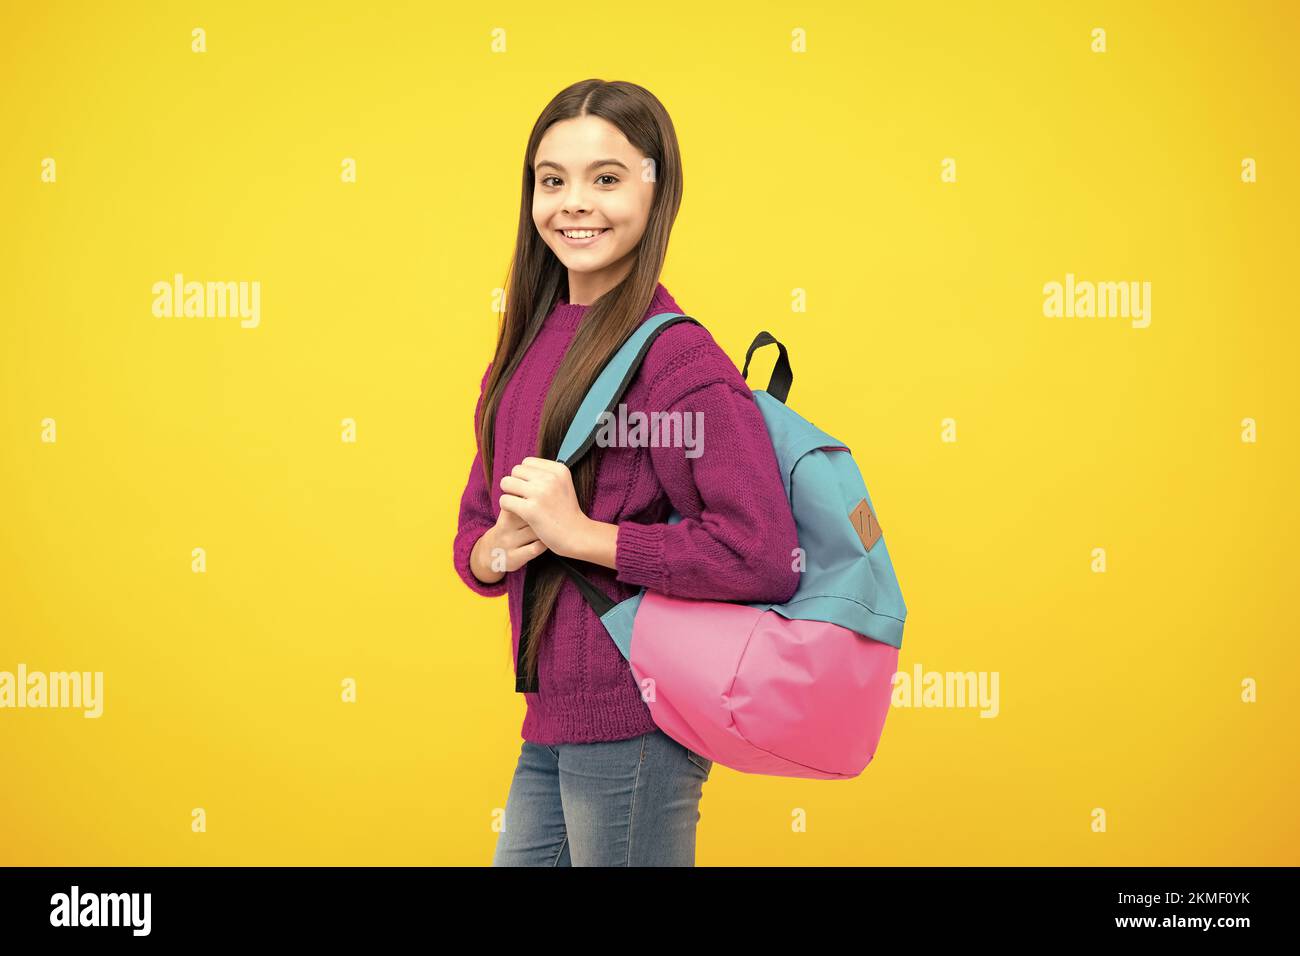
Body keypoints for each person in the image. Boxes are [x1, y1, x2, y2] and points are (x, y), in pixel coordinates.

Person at [452, 78, 800, 866]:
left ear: (656, 188)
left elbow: (763, 554)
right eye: (553, 180)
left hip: (637, 720)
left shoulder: (677, 359)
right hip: (548, 715)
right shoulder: (521, 350)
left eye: (607, 178)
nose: (575, 203)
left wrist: (582, 535)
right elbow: (476, 534)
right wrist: (499, 548)